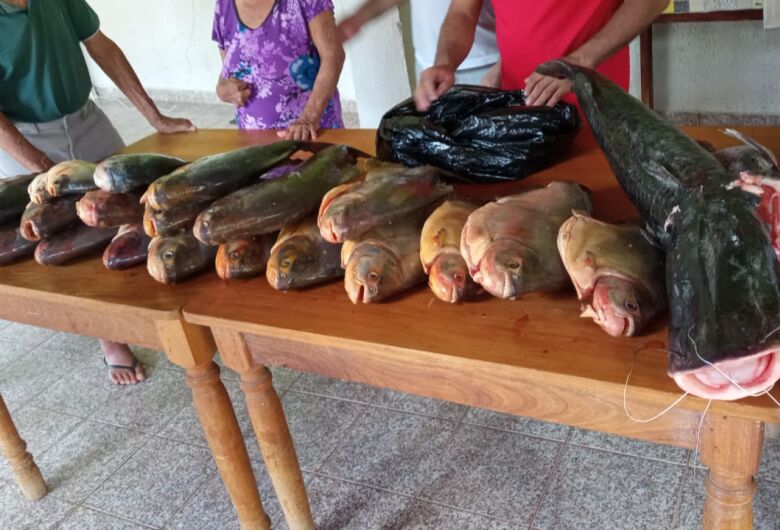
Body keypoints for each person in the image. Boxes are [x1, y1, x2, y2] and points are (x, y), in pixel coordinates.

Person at [0, 0, 196, 385]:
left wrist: (154, 115)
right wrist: (43, 167)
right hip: (25, 137)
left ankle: (159, 311)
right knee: (71, 239)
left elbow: (100, 45)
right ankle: (111, 340)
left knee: (135, 206)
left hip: (86, 117)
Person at [338, 0, 668, 110]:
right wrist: (445, 60)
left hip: (595, 103)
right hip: (518, 102)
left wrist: (582, 61)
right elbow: (462, 14)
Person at [213, 0, 345, 141]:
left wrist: (309, 118)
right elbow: (229, 67)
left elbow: (333, 56)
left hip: (312, 137)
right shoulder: (223, 5)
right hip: (255, 145)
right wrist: (221, 88)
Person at [409, 0, 500, 88]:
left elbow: (463, 13)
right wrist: (443, 64)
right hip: (433, 61)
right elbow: (461, 11)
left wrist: (502, 65)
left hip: (487, 62)